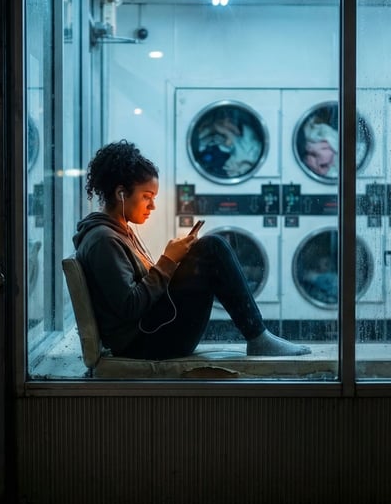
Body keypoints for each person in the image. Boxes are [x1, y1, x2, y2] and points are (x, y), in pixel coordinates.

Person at [72, 140, 310, 360]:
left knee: (206, 248)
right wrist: (168, 261)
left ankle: (259, 337)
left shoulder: (117, 231)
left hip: (149, 330)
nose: (152, 206)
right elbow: (129, 306)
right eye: (147, 197)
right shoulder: (104, 240)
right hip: (145, 343)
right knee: (212, 248)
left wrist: (175, 260)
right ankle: (258, 337)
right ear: (121, 193)